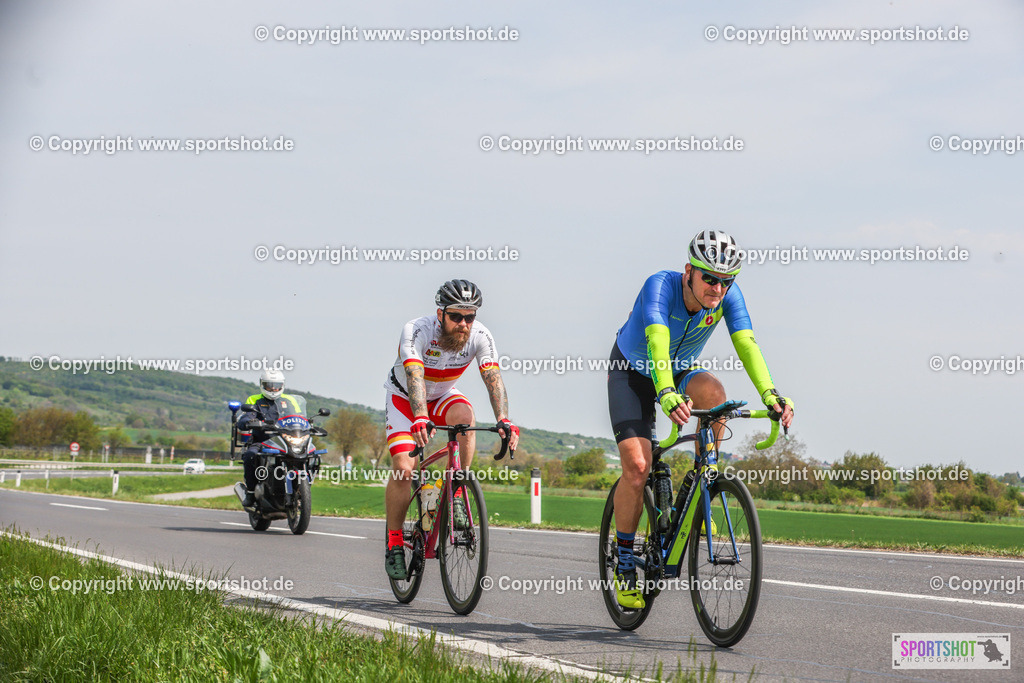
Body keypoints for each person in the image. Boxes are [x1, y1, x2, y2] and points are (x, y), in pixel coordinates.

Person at [608, 230, 794, 609]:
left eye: (727, 280)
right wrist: (664, 392)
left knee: (715, 394)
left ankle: (704, 476)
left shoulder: (727, 296)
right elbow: (657, 341)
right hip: (633, 373)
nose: (718, 288)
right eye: (710, 278)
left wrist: (771, 395)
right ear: (689, 271)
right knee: (638, 466)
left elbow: (747, 345)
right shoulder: (659, 286)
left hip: (678, 372)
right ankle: (625, 561)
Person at [383, 279, 520, 580]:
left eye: (470, 317)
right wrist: (420, 416)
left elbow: (493, 378)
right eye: (456, 316)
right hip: (406, 397)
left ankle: (456, 490)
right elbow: (414, 375)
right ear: (440, 313)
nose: (463, 324)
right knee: (405, 469)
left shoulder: (481, 336)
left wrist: (504, 419)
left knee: (465, 418)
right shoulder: (417, 330)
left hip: (443, 394)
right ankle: (394, 542)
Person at [237, 368, 304, 508]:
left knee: (310, 454)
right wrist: (249, 421)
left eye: (276, 385)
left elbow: (300, 418)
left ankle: (302, 488)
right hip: (262, 440)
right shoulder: (254, 399)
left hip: (286, 440)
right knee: (250, 455)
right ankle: (250, 492)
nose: (273, 389)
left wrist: (308, 424)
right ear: (262, 384)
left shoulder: (290, 400)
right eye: (269, 385)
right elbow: (246, 417)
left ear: (282, 385)